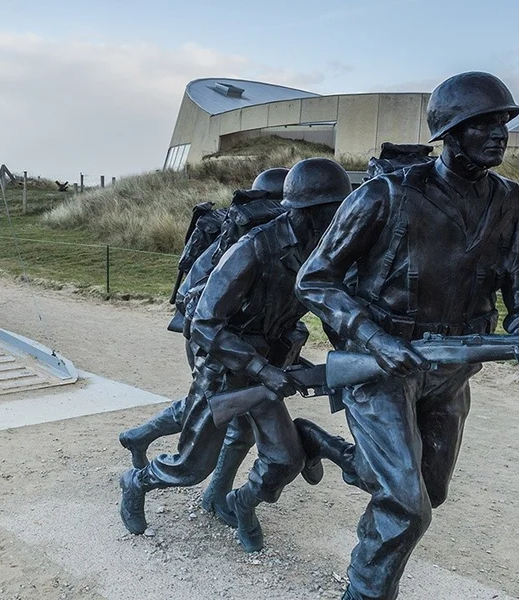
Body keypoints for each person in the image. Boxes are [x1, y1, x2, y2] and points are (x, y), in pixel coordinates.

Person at [295, 71, 519, 600]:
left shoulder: (512, 202)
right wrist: (373, 339)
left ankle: (322, 445)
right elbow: (315, 279)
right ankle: (365, 591)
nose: (499, 134)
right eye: (482, 123)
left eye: (503, 122)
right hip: (383, 366)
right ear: (449, 131)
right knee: (405, 506)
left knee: (429, 491)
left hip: (454, 368)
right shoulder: (385, 195)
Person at [119, 158, 353, 552]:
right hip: (225, 371)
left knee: (284, 459)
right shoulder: (253, 249)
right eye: (336, 209)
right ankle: (135, 482)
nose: (345, 217)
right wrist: (260, 367)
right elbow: (204, 325)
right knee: (191, 467)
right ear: (310, 210)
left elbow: (331, 310)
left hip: (267, 372)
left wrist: (351, 358)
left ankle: (240, 505)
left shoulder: (320, 253)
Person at [120, 168, 288, 524]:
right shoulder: (241, 238)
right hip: (215, 345)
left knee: (228, 416)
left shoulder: (286, 244)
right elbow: (196, 302)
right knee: (215, 415)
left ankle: (210, 490)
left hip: (250, 348)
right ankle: (153, 476)